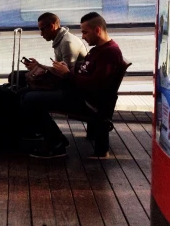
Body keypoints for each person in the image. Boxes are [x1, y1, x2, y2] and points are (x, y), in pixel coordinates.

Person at [23, 12, 126, 158]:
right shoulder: (99, 50)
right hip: (78, 93)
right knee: (27, 94)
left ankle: (56, 144)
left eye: (85, 32)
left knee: (30, 99)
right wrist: (65, 71)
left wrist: (66, 74)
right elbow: (86, 74)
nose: (82, 37)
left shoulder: (109, 54)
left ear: (97, 30)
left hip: (88, 102)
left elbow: (96, 86)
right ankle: (55, 138)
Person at [21, 12, 88, 88]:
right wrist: (37, 66)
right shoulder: (60, 40)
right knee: (16, 76)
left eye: (42, 29)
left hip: (71, 87)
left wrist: (38, 66)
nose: (41, 34)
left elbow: (65, 74)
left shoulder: (67, 43)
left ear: (52, 26)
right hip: (63, 80)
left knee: (24, 90)